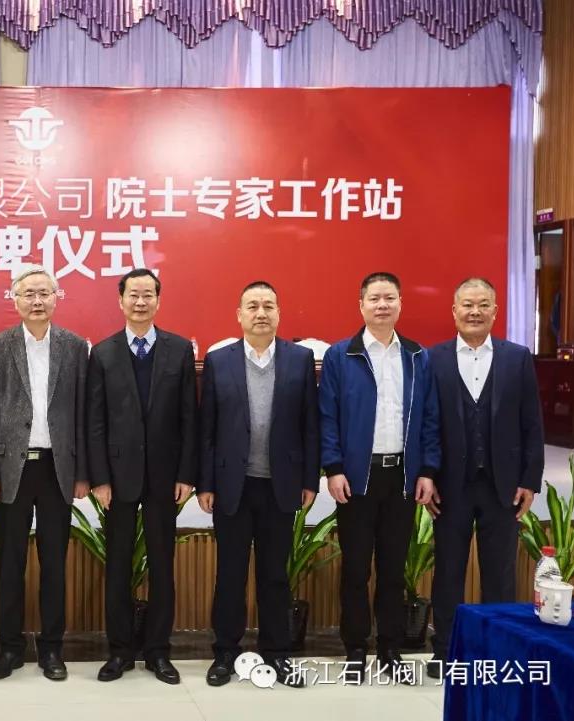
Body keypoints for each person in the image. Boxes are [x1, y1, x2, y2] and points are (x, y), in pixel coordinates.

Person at [318, 272, 439, 683]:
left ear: (400, 304)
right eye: (374, 298)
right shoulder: (341, 355)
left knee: (392, 569)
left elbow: (430, 418)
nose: (382, 305)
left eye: (389, 298)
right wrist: (333, 467)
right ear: (361, 305)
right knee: (355, 570)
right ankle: (355, 649)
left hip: (402, 476)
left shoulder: (417, 356)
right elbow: (327, 416)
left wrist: (427, 470)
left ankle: (390, 649)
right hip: (356, 478)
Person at [198, 281, 318, 688]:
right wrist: (205, 483)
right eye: (252, 306)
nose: (261, 313)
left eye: (268, 305)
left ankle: (277, 654)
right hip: (233, 484)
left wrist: (309, 479)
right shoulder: (219, 361)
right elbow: (208, 428)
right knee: (230, 574)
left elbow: (310, 425)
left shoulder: (300, 359)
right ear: (239, 315)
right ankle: (225, 653)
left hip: (281, 485)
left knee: (275, 575)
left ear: (279, 313)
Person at [426, 278, 544, 679]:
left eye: (482, 305)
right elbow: (426, 424)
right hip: (450, 486)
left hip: (503, 486)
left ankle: (499, 653)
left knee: (500, 574)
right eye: (467, 304)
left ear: (495, 311)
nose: (474, 312)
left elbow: (532, 423)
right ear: (454, 311)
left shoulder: (517, 358)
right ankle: (446, 651)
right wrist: (427, 474)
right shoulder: (434, 359)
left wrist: (530, 479)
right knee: (448, 572)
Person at [86, 269, 196, 685]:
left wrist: (186, 473)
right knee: (117, 565)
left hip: (166, 477)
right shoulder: (104, 352)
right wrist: (99, 477)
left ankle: (158, 651)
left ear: (158, 301)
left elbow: (189, 417)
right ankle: (119, 651)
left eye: (148, 294)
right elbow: (95, 422)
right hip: (117, 478)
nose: (140, 301)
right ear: (120, 301)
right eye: (133, 294)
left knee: (163, 565)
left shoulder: (179, 350)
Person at [0, 265, 89, 681]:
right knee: (11, 563)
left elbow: (83, 414)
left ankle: (52, 649)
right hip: (13, 469)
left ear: (57, 297)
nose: (37, 300)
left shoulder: (75, 347)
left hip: (59, 469)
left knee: (54, 563)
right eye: (29, 294)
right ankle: (10, 648)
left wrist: (83, 472)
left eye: (45, 293)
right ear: (15, 299)